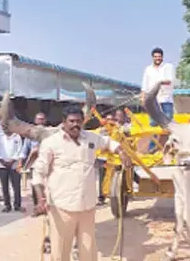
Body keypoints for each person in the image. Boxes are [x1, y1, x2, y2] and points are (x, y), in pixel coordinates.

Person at [32, 105, 131, 261]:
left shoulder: (90, 138)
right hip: (62, 207)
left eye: (78, 121)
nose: (75, 125)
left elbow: (108, 142)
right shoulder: (51, 143)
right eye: (71, 121)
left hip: (87, 207)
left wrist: (122, 153)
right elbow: (38, 172)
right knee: (60, 253)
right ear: (63, 122)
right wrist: (40, 199)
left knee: (89, 251)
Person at [141, 47, 175, 152]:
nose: (158, 58)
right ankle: (152, 148)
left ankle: (169, 147)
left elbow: (170, 81)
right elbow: (144, 86)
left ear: (162, 57)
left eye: (159, 57)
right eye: (156, 57)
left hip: (166, 99)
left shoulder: (168, 67)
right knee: (153, 124)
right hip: (153, 101)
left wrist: (158, 84)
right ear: (152, 58)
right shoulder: (148, 69)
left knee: (168, 123)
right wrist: (143, 97)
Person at [19, 112, 47, 216]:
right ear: (35, 121)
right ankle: (38, 208)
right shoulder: (30, 134)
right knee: (36, 186)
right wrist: (21, 163)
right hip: (35, 164)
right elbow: (24, 150)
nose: (40, 121)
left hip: (49, 164)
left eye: (42, 119)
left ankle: (49, 208)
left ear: (45, 121)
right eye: (38, 119)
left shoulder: (51, 133)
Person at [0, 129, 25, 213]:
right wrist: (2, 161)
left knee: (16, 186)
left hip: (14, 165)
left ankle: (17, 205)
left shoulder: (17, 137)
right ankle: (7, 205)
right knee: (4, 186)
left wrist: (12, 161)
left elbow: (19, 150)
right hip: (2, 165)